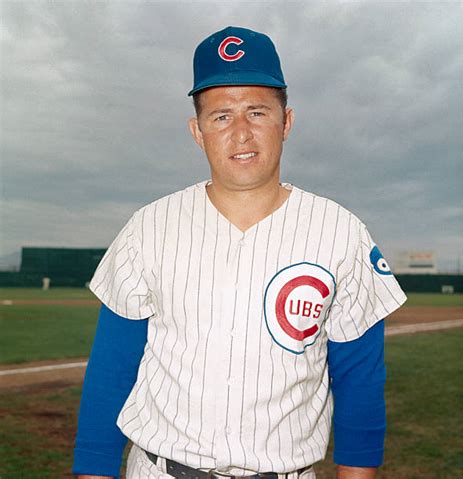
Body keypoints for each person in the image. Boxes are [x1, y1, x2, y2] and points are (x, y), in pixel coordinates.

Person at [73, 26, 407, 479]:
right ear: (198, 131)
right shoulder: (149, 228)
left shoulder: (341, 233)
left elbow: (360, 381)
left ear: (286, 121)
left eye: (257, 111)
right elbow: (112, 370)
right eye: (221, 116)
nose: (242, 133)